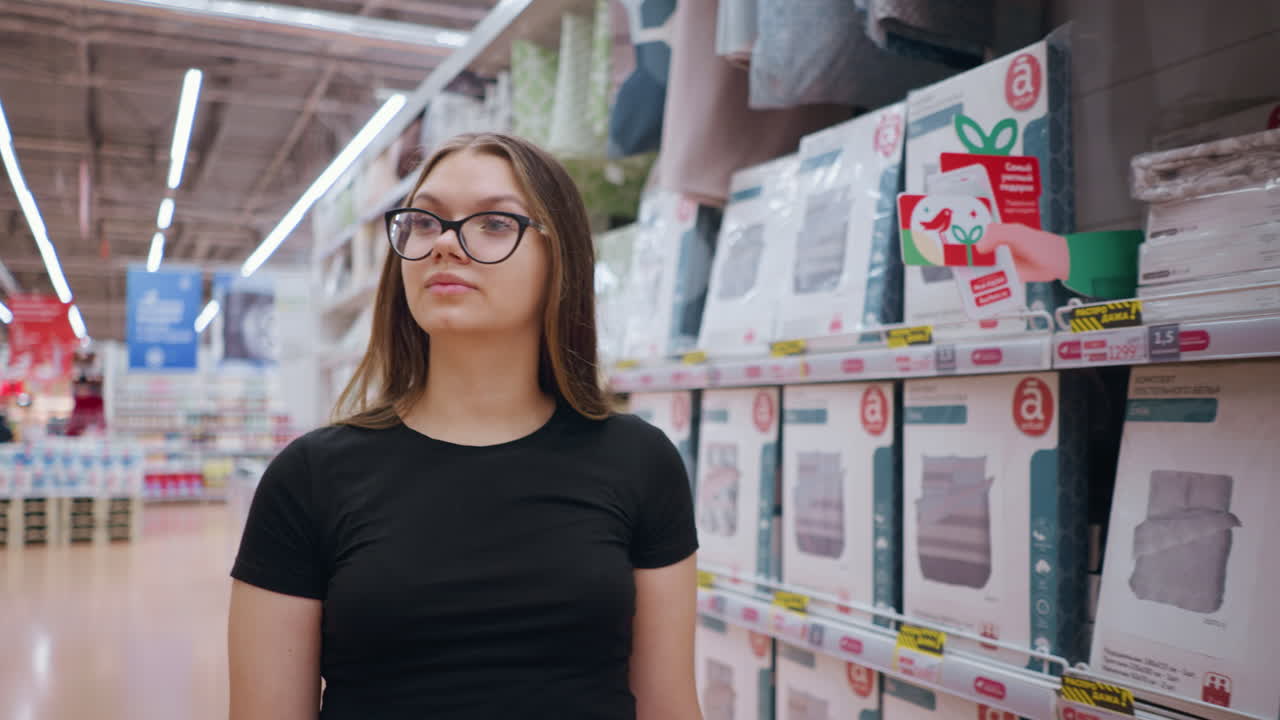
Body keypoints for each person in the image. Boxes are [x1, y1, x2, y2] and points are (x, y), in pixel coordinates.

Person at [228, 133, 701, 720]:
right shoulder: (309, 477)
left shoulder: (640, 460)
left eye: (495, 223)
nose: (445, 244)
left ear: (561, 257)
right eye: (424, 222)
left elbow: (669, 704)